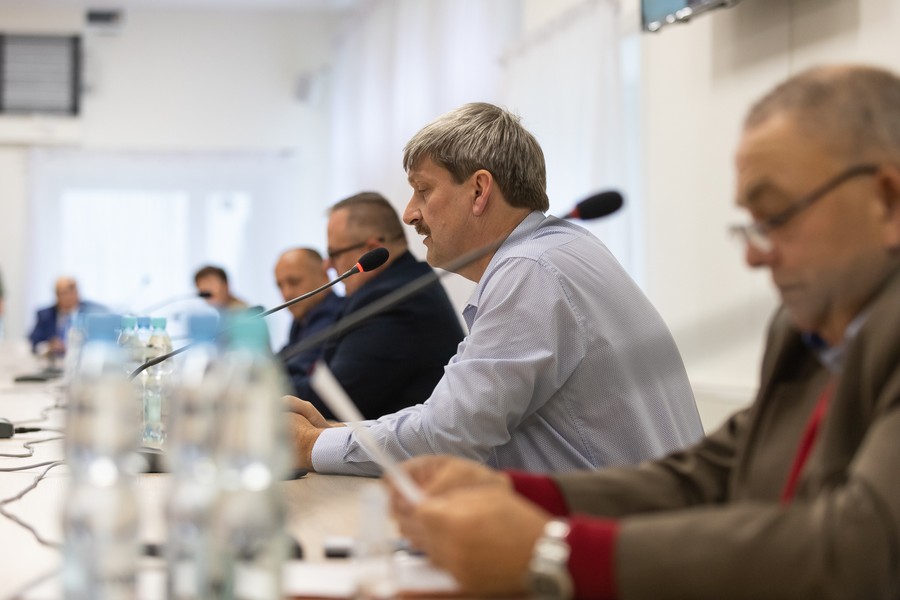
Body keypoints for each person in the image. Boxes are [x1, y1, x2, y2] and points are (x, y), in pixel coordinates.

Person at [388, 65, 900, 599]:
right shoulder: (806, 332)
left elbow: (858, 549)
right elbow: (710, 474)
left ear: (887, 201)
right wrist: (515, 493)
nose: (753, 255)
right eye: (751, 224)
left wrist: (553, 551)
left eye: (776, 217)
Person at [286, 104, 702, 476]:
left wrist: (308, 445)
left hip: (622, 532)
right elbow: (452, 418)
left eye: (423, 190)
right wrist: (333, 432)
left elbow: (448, 435)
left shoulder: (530, 271)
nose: (410, 213)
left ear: (479, 190)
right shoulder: (560, 250)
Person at [286, 192, 465, 421]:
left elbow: (331, 403)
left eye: (333, 254)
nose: (327, 265)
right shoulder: (395, 286)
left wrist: (266, 388)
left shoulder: (395, 300)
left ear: (371, 249)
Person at [273, 247, 345, 390]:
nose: (286, 294)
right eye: (280, 286)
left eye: (294, 282)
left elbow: (298, 367)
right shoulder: (301, 321)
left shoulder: (334, 315)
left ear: (324, 275)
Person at [29, 277, 104, 354]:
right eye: (61, 293)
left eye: (69, 292)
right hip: (54, 359)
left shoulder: (92, 313)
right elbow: (34, 342)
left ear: (77, 293)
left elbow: (98, 343)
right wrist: (48, 346)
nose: (65, 297)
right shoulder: (45, 315)